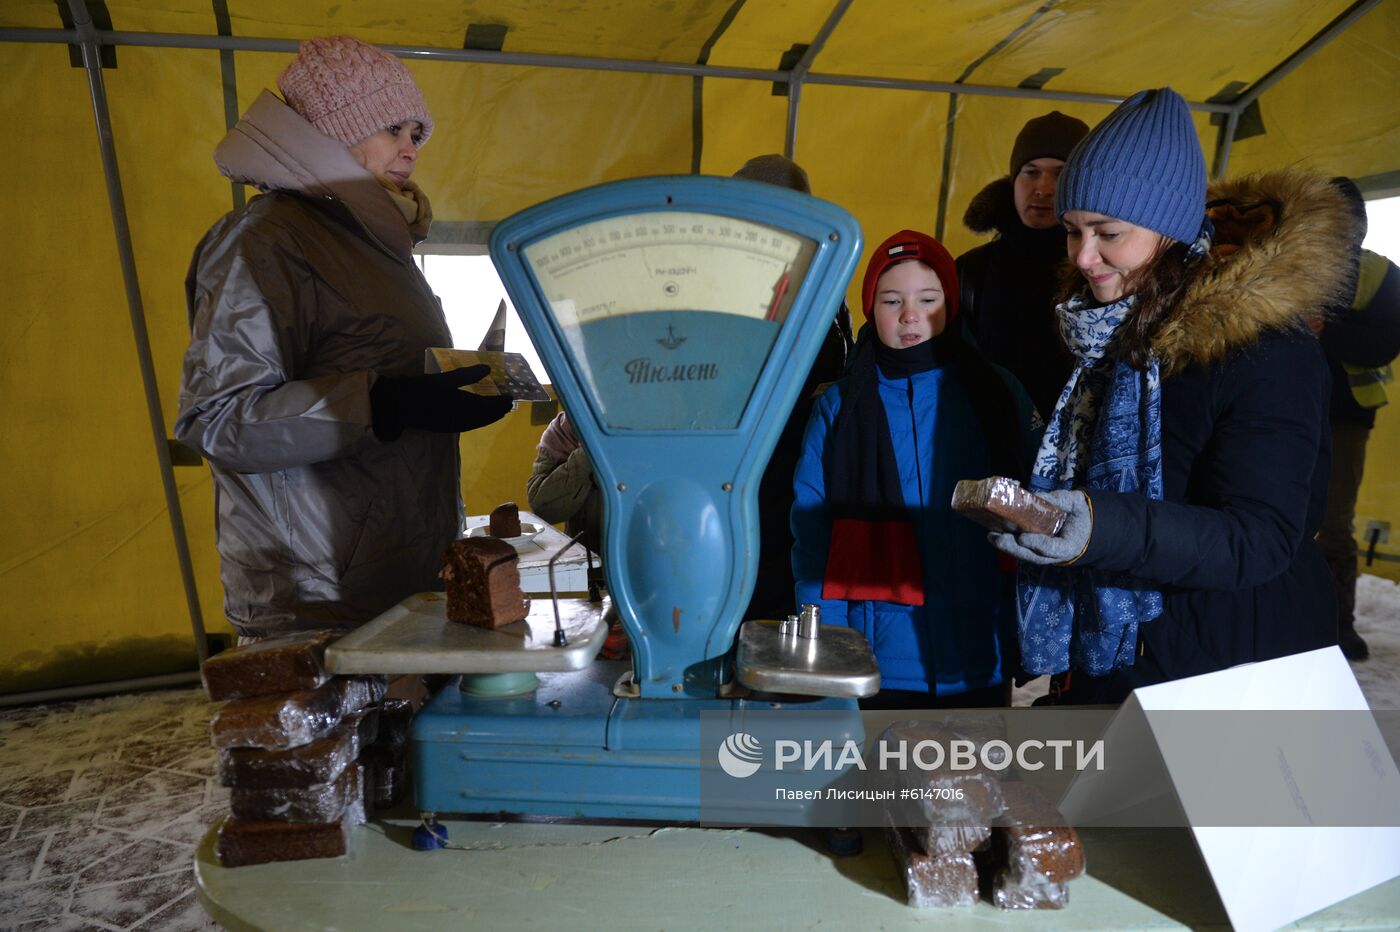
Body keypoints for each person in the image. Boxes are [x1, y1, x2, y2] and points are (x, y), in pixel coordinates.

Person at [988, 88, 1352, 704]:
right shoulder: (1109, 331)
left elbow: (1259, 538)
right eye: (1074, 232)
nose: (1083, 256)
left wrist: (1098, 528)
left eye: (1108, 233)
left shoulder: (1265, 349)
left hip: (1233, 663)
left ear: (1173, 230)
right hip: (1128, 652)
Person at [176, 36, 512, 640]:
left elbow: (378, 366)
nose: (410, 150)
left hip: (398, 574)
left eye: (418, 134)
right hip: (315, 597)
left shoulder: (380, 244)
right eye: (393, 129)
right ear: (331, 130)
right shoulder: (266, 241)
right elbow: (218, 420)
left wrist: (456, 393)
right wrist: (381, 404)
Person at [791, 230, 1039, 708]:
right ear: (869, 309)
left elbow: (1039, 497)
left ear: (950, 303)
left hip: (976, 649)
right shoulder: (840, 406)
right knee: (882, 781)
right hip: (877, 653)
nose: (910, 315)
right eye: (891, 301)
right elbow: (812, 528)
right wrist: (827, 637)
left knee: (975, 781)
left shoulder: (997, 393)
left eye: (928, 299)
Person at [732, 155, 855, 623]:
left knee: (794, 563)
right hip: (746, 458)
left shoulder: (826, 280)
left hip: (806, 454)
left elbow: (844, 350)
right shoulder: (729, 287)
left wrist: (842, 382)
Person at [956, 111, 1088, 419]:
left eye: (1060, 173)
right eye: (1030, 172)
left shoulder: (1097, 271)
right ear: (1013, 180)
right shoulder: (971, 271)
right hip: (987, 442)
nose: (1042, 187)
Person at [1317, 177, 1400, 661]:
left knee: (1335, 525)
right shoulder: (1292, 266)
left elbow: (1383, 344)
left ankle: (1339, 627)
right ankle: (1286, 620)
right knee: (1275, 518)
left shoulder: (1384, 275)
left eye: (1348, 220)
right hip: (1286, 415)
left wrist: (1326, 329)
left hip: (1348, 418)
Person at [526, 409, 603, 553]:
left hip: (645, 559)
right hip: (585, 560)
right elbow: (543, 508)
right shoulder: (562, 431)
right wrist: (586, 453)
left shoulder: (652, 431)